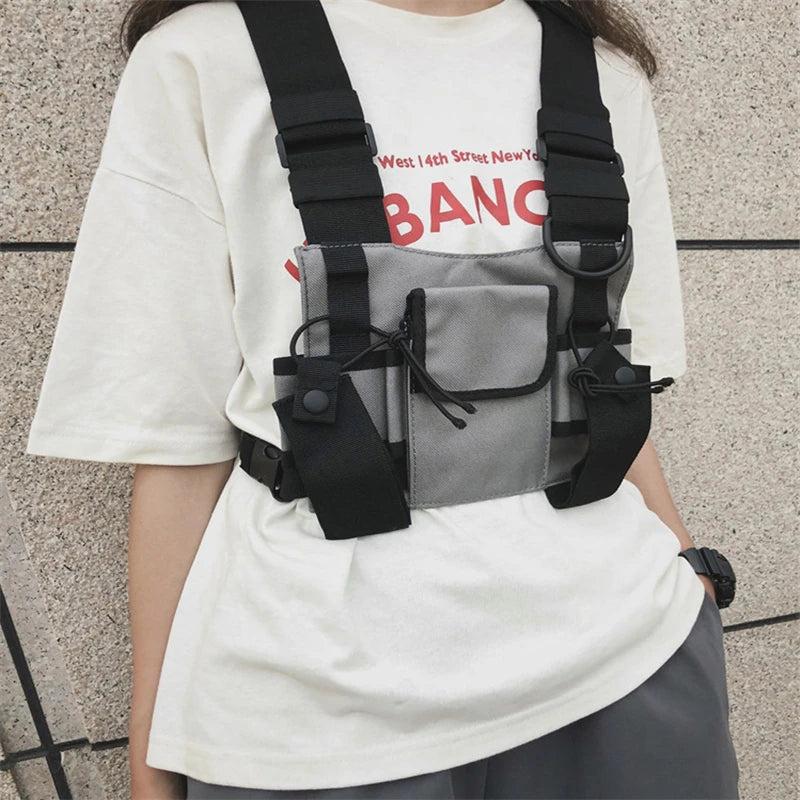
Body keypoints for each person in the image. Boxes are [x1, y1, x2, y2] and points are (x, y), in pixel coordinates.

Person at [25, 0, 740, 798]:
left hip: (632, 661)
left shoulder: (603, 72)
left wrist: (691, 578)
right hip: (316, 713)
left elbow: (611, 375)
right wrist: (153, 747)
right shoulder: (205, 56)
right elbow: (176, 447)